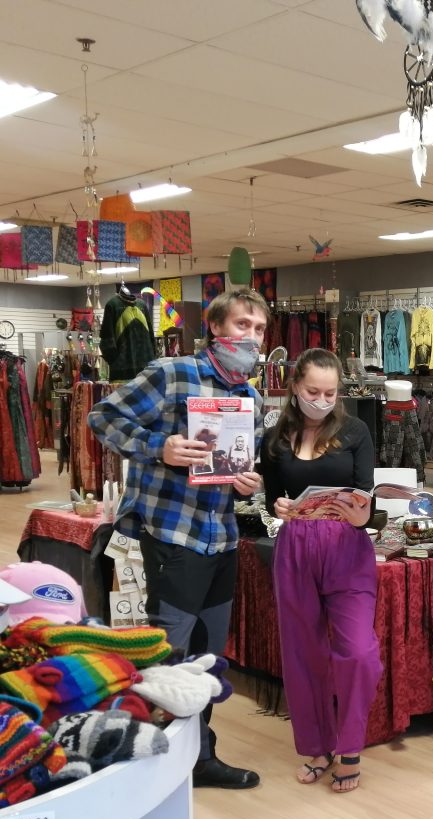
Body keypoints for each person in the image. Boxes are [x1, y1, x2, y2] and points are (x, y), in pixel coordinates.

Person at [88, 288, 268, 789]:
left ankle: (199, 757)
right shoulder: (172, 374)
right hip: (173, 533)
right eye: (242, 325)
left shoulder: (250, 399)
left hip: (222, 537)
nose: (251, 337)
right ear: (216, 327)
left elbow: (239, 465)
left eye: (259, 329)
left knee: (207, 657)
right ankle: (155, 764)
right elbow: (102, 417)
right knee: (168, 653)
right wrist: (157, 446)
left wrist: (248, 483)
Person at [261, 348, 382, 793]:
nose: (322, 400)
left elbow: (366, 494)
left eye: (330, 393)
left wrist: (361, 513)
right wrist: (278, 507)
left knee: (359, 652)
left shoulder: (355, 431)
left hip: (346, 547)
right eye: (313, 391)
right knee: (302, 654)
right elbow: (272, 499)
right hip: (295, 547)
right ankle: (317, 746)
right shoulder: (275, 438)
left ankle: (349, 747)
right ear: (295, 386)